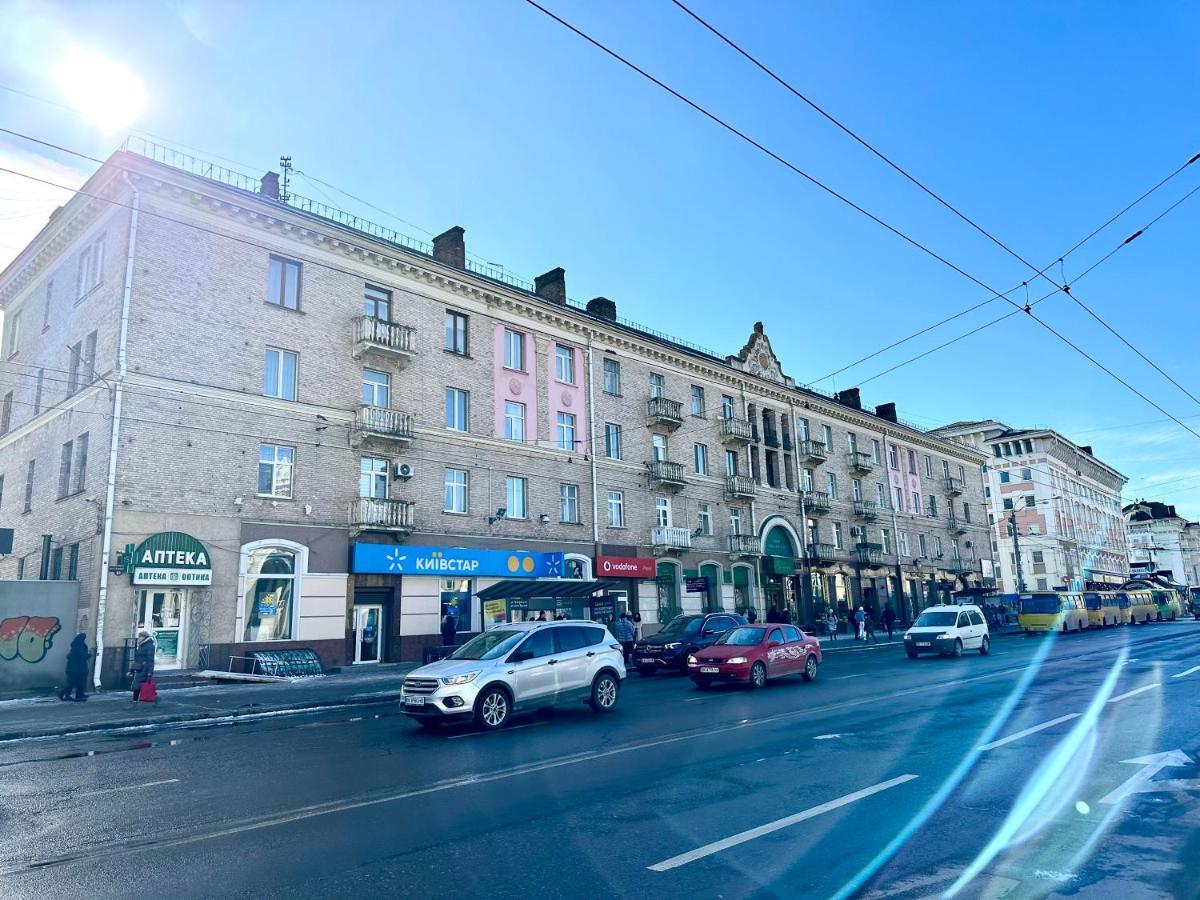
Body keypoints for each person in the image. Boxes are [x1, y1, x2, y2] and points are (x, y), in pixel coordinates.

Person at [60, 633, 90, 702]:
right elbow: (81, 656)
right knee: (75, 683)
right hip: (78, 669)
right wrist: (88, 655)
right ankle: (66, 694)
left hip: (76, 668)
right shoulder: (79, 646)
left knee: (76, 683)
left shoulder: (76, 645)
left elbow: (71, 656)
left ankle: (77, 695)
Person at [129, 629, 156, 702]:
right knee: (139, 684)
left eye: (140, 637)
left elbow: (150, 659)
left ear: (144, 637)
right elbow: (138, 659)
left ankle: (137, 699)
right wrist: (131, 670)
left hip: (145, 668)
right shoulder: (142, 645)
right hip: (140, 668)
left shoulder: (149, 646)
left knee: (140, 684)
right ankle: (137, 699)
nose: (138, 638)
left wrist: (150, 672)